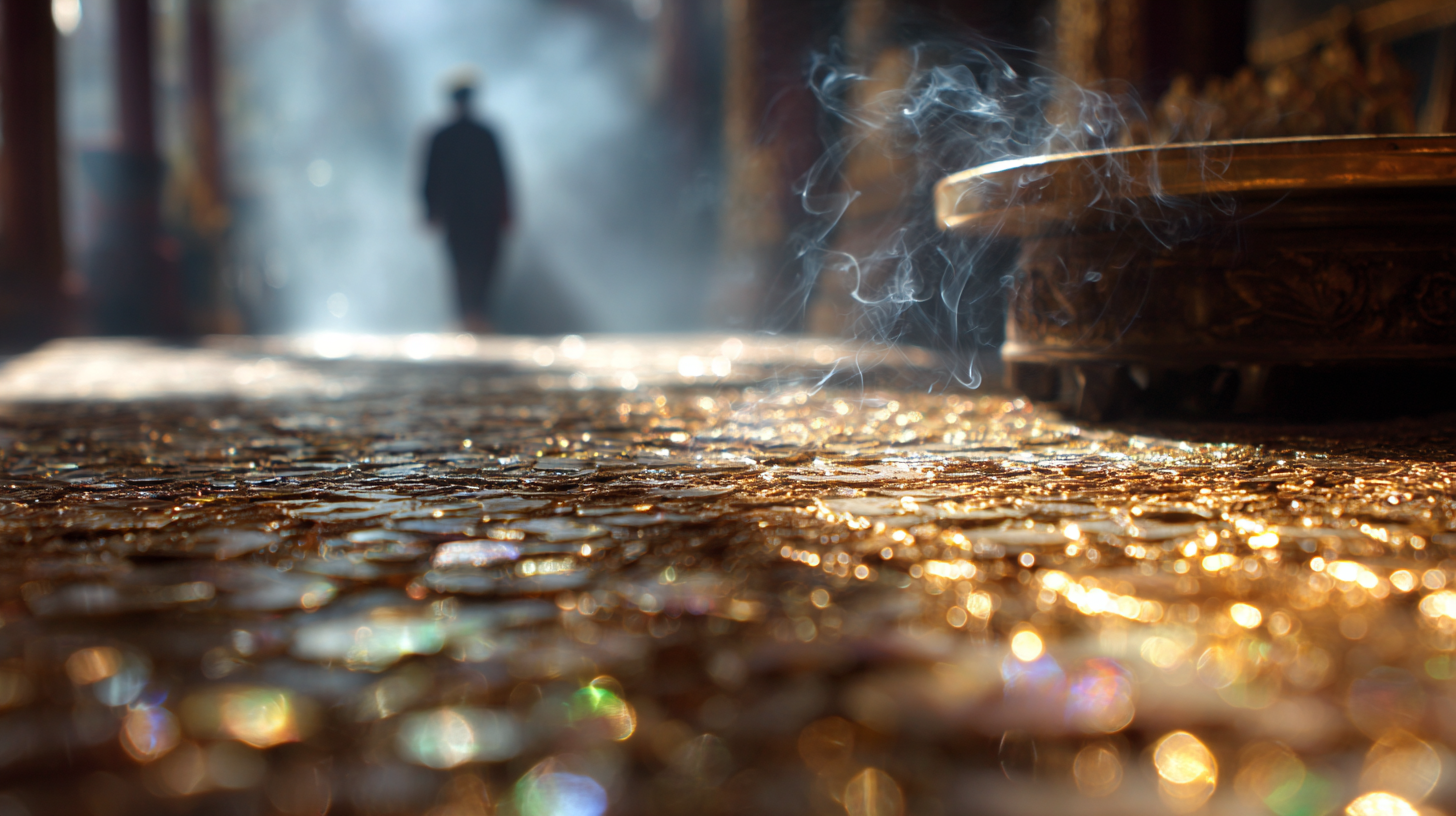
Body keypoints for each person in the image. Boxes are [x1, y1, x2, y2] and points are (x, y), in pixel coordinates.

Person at [423, 75, 512, 331]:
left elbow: (500, 176)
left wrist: (431, 211)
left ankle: (475, 316)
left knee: (473, 265)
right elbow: (430, 176)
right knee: (467, 265)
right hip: (469, 214)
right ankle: (469, 317)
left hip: (471, 214)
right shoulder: (476, 135)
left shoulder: (455, 135)